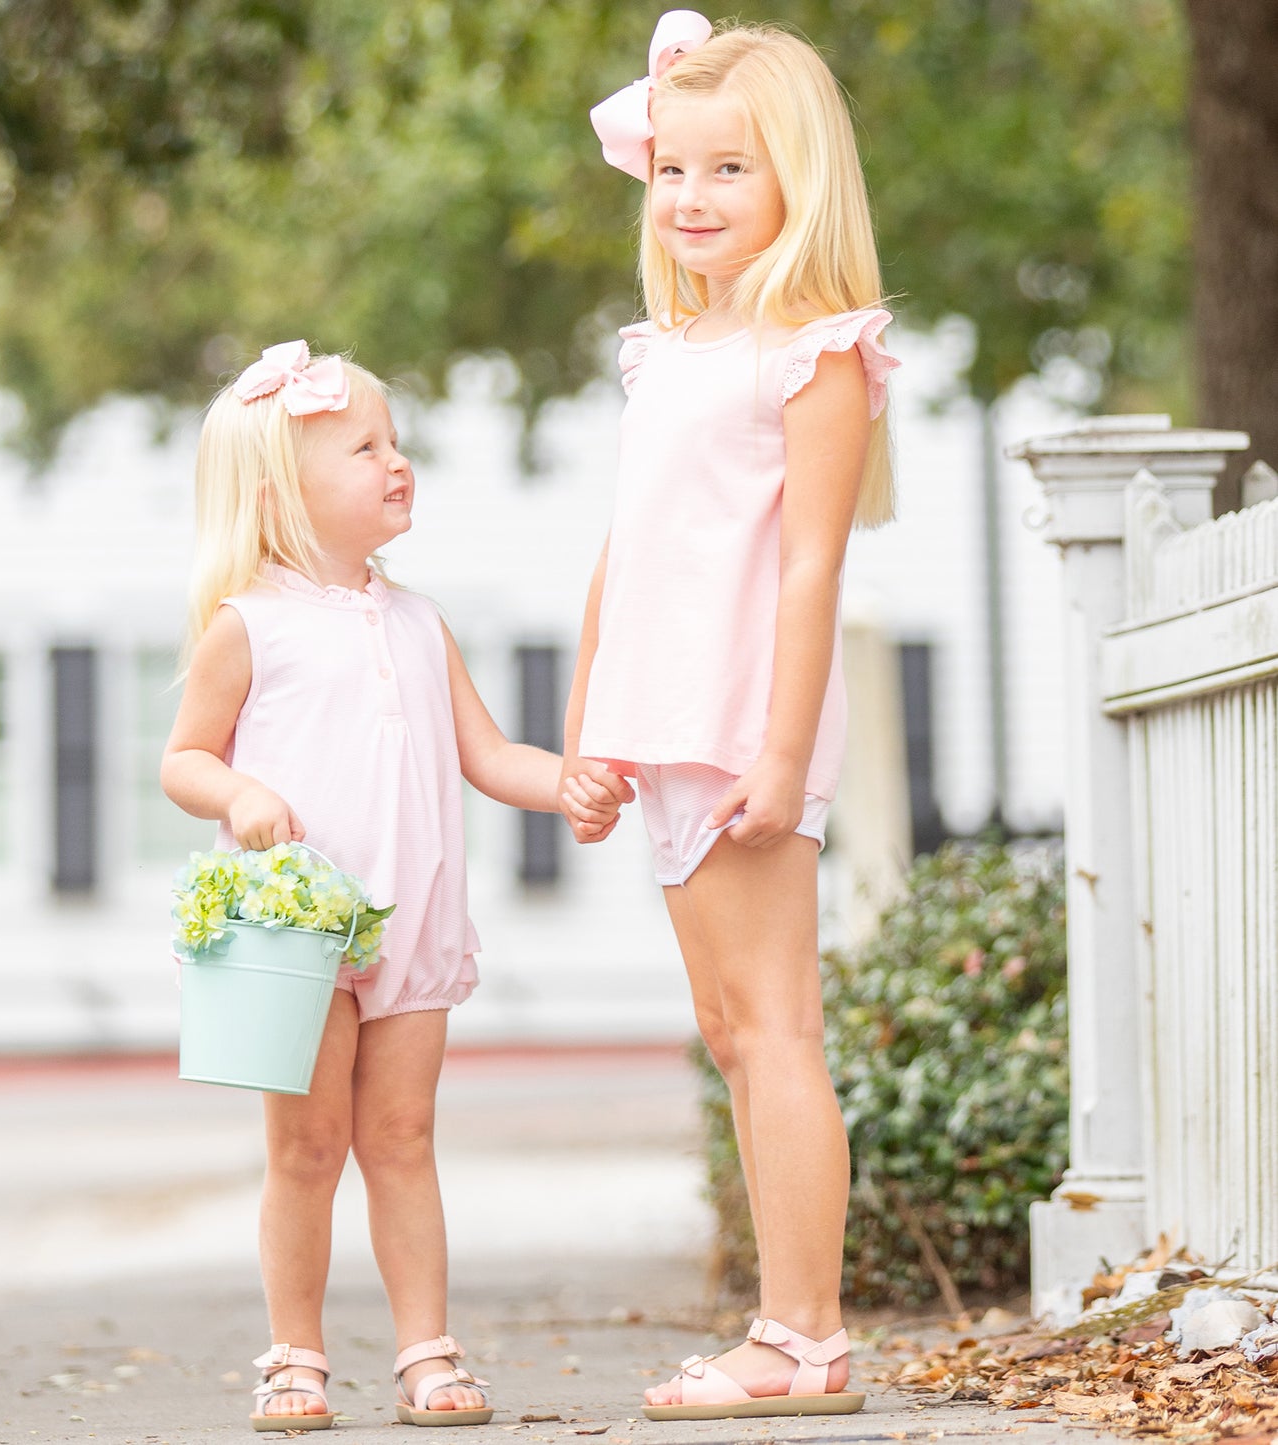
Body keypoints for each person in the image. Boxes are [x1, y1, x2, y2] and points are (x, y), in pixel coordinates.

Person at [162, 341, 632, 1432]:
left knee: (403, 1138)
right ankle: (294, 1352)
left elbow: (485, 752)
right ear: (281, 490)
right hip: (298, 936)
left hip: (412, 924)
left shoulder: (419, 621)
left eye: (396, 441)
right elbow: (183, 756)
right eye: (364, 445)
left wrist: (564, 783)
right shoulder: (250, 623)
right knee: (306, 1145)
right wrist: (237, 794)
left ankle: (426, 1346)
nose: (397, 462)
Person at [561, 10, 901, 1422]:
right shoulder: (668, 350)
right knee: (731, 1026)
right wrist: (589, 727)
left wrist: (777, 748)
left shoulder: (815, 352)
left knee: (774, 1030)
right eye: (671, 171)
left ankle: (804, 1338)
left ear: (796, 182)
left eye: (729, 171)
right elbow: (623, 555)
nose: (692, 199)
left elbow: (814, 564)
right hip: (663, 727)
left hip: (743, 727)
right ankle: (784, 1327)